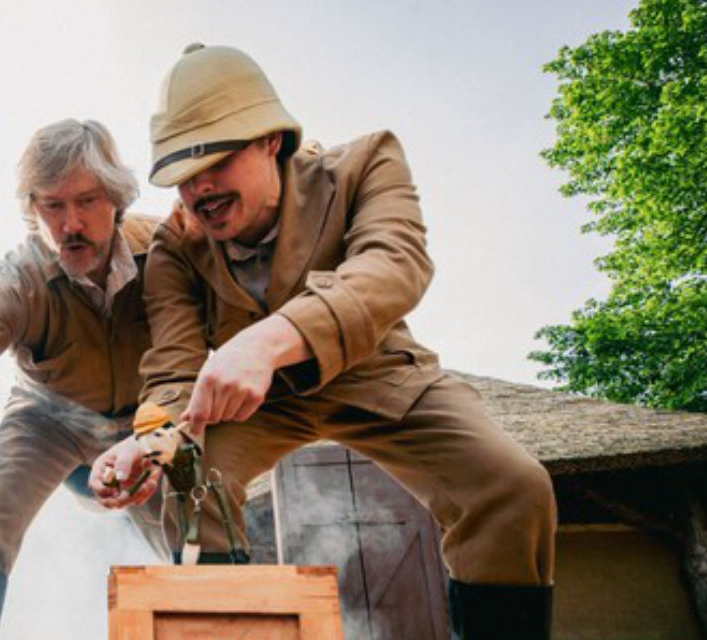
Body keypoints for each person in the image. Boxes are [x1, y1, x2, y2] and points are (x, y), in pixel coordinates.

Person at [90, 44, 556, 640]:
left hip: (379, 373)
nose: (199, 189)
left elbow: (395, 265)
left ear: (270, 140)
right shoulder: (175, 246)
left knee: (512, 485)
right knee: (189, 473)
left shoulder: (365, 164)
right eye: (182, 175)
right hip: (258, 407)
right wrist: (147, 441)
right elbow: (174, 367)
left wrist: (270, 341)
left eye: (217, 161)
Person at [0, 119, 167, 640]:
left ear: (116, 197)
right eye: (53, 205)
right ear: (31, 209)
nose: (71, 224)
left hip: (146, 420)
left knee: (201, 522)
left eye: (87, 200)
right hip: (48, 418)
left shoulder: (166, 250)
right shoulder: (16, 280)